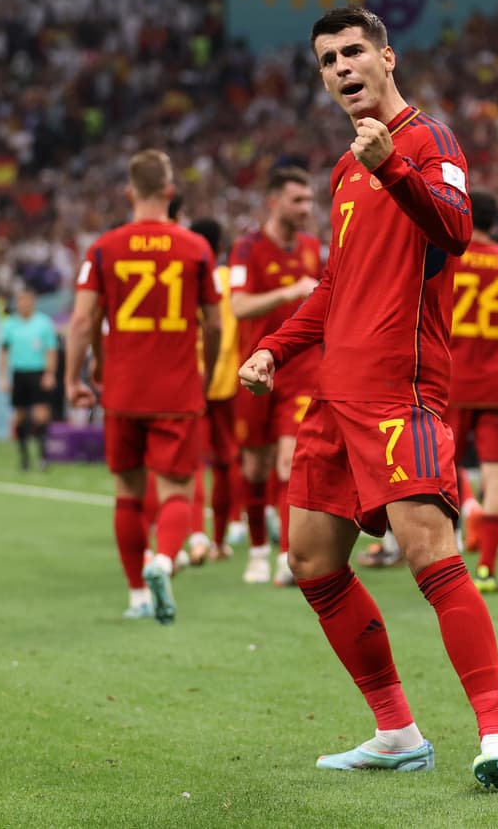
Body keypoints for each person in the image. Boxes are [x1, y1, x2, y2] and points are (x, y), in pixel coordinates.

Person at [238, 6, 498, 792]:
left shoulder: (428, 141)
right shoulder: (341, 170)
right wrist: (276, 345)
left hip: (401, 391)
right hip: (335, 396)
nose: (339, 68)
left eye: (351, 52)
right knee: (311, 559)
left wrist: (392, 167)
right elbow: (336, 283)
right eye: (327, 59)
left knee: (430, 552)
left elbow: (459, 228)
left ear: (387, 58)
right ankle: (397, 729)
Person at [66, 149, 222, 624]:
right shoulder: (196, 248)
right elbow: (214, 324)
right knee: (177, 490)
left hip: (123, 391)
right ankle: (163, 560)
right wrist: (209, 373)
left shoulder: (104, 247)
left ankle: (136, 593)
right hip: (176, 389)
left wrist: (79, 374)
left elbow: (82, 319)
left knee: (127, 494)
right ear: (171, 193)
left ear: (129, 193)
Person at [229, 167, 322, 586]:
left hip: (301, 372)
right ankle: (257, 550)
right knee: (254, 466)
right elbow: (238, 307)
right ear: (273, 201)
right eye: (297, 200)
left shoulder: (313, 247)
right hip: (254, 370)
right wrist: (287, 292)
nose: (306, 208)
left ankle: (287, 556)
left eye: (308, 200)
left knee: (289, 462)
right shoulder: (246, 249)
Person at [445, 191, 498, 594]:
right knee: (497, 477)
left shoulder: (447, 254)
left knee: (439, 471)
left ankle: (444, 566)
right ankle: (487, 570)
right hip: (497, 384)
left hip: (450, 381)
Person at [194, 216, 247, 562]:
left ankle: (195, 535)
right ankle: (219, 540)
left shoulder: (188, 277)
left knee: (191, 462)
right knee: (227, 461)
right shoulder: (230, 281)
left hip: (190, 383)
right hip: (228, 381)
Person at [0, 287, 58, 471]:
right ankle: (24, 458)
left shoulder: (43, 323)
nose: (24, 304)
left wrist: (50, 373)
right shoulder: (10, 324)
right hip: (19, 373)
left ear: (33, 302)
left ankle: (43, 456)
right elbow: (3, 352)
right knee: (20, 416)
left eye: (27, 300)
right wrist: (2, 376)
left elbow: (51, 350)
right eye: (21, 300)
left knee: (41, 414)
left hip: (38, 372)